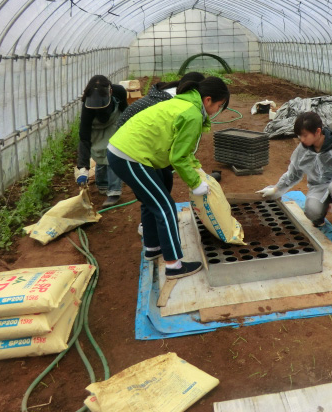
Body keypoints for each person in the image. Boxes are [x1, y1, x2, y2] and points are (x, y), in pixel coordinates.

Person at [107, 77, 230, 279]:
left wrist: (197, 170)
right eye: (218, 105)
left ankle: (153, 247)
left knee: (151, 202)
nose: (217, 110)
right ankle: (174, 265)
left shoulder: (184, 103)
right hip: (130, 156)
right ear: (208, 100)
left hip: (126, 152)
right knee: (165, 207)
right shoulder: (192, 115)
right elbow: (178, 157)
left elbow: (182, 148)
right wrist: (195, 183)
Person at [116, 72, 205, 236]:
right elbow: (177, 149)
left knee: (164, 181)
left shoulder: (174, 96)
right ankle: (148, 226)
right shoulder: (172, 102)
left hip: (146, 146)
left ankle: (157, 223)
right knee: (154, 193)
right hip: (133, 147)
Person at [256, 111, 332, 246]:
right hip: (318, 187)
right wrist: (275, 189)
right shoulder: (303, 149)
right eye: (300, 135)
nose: (301, 139)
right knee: (311, 212)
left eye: (305, 135)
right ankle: (321, 213)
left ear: (318, 131)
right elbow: (293, 174)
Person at [74, 75, 127, 208]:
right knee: (99, 154)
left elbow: (125, 110)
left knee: (113, 155)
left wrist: (127, 131)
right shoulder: (87, 106)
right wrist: (83, 168)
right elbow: (84, 137)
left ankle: (114, 192)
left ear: (110, 92)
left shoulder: (119, 91)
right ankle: (102, 185)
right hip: (96, 128)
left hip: (114, 124)